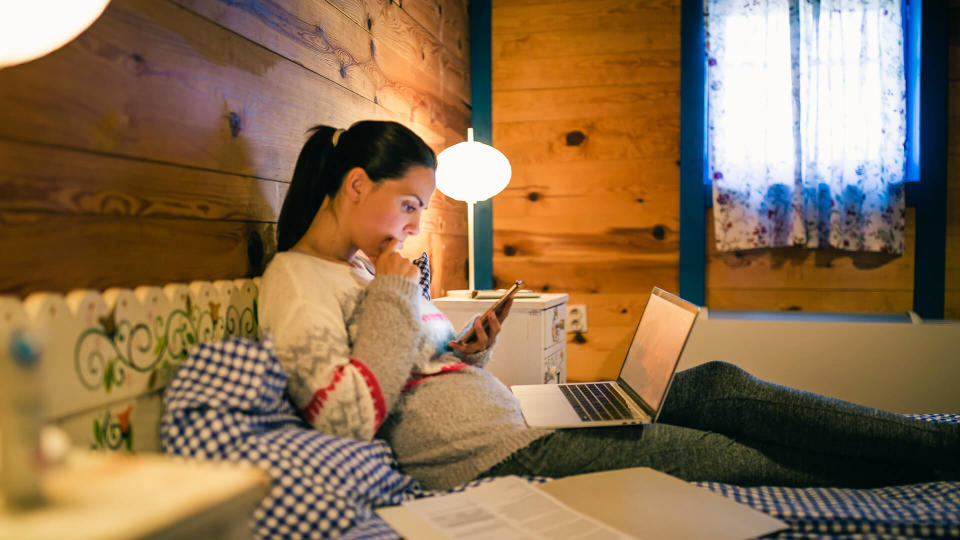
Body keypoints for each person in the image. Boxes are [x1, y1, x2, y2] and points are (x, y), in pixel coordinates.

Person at [258, 120, 960, 491]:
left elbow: (415, 363)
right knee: (727, 457)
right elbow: (345, 421)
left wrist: (471, 346)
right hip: (490, 456)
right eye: (408, 205)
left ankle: (936, 441)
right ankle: (932, 458)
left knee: (716, 384)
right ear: (355, 185)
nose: (412, 226)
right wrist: (391, 291)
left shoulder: (363, 269)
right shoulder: (295, 281)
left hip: (519, 416)